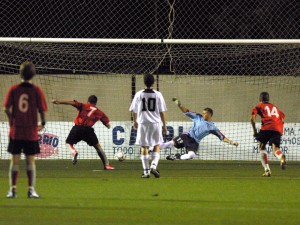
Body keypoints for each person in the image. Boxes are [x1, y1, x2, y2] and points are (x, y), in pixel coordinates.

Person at [4, 61, 47, 198]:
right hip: (30, 131)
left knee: (14, 160)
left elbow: (6, 108)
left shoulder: (13, 89)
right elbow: (42, 110)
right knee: (30, 161)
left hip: (16, 131)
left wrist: (12, 120)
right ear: (33, 74)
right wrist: (43, 123)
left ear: (20, 73)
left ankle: (13, 190)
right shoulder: (36, 90)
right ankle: (31, 190)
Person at [153, 97, 238, 160]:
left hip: (195, 142)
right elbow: (186, 111)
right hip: (187, 136)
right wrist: (178, 103)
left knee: (192, 155)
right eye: (203, 113)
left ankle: (176, 157)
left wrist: (232, 142)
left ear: (209, 114)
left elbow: (222, 137)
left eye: (205, 113)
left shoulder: (212, 127)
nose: (203, 114)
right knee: (170, 143)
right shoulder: (198, 117)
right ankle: (150, 149)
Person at [52, 95, 114, 170]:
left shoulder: (84, 105)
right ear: (95, 103)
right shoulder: (99, 112)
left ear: (88, 101)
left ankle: (73, 152)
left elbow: (72, 103)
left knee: (68, 143)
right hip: (88, 130)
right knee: (97, 146)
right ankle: (106, 165)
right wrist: (108, 126)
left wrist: (59, 102)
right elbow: (107, 124)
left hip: (77, 128)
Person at [129, 74, 167, 178]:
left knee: (144, 147)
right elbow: (162, 112)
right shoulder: (158, 94)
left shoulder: (139, 94)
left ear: (144, 82)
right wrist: (165, 125)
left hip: (143, 123)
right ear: (153, 82)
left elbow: (134, 110)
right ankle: (154, 166)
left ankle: (146, 172)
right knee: (156, 145)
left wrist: (135, 121)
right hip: (155, 123)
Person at [251, 92, 286, 177]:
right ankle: (281, 156)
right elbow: (282, 118)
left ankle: (267, 170)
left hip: (267, 127)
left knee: (262, 147)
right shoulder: (275, 108)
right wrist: (279, 130)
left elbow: (252, 119)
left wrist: (255, 131)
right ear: (268, 99)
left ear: (260, 99)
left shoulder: (259, 106)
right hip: (277, 128)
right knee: (276, 149)